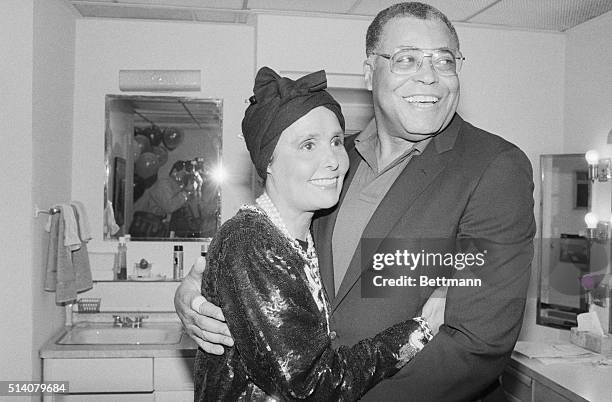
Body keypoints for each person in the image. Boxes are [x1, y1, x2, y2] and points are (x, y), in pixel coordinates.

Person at [176, 2, 536, 401]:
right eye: (407, 59)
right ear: (369, 71)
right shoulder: (331, 165)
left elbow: (474, 345)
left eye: (444, 60)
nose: (429, 76)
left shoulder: (492, 167)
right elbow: (261, 252)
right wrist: (193, 296)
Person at [193, 67, 439, 401]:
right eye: (308, 145)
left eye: (337, 141)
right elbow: (310, 385)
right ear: (268, 161)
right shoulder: (251, 242)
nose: (334, 160)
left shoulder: (302, 233)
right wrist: (419, 330)